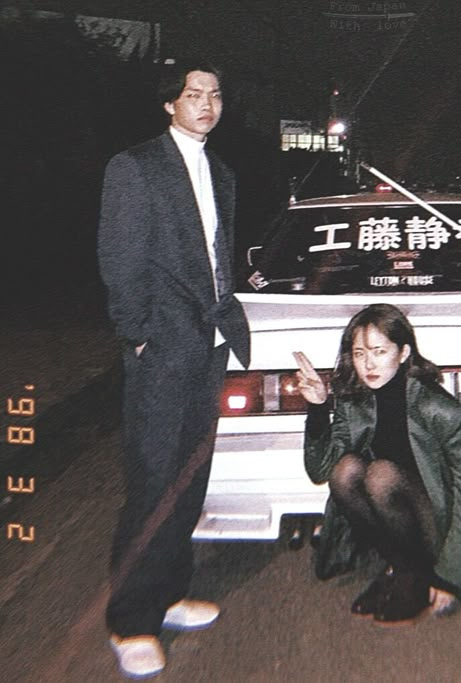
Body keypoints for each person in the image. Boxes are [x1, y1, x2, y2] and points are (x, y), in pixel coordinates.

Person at [97, 62, 250, 679]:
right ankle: (131, 620)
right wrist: (136, 335)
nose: (207, 104)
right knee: (153, 479)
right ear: (170, 104)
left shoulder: (222, 172)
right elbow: (120, 257)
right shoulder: (134, 167)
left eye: (215, 93)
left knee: (190, 476)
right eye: (194, 95)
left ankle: (171, 591)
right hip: (161, 347)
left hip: (209, 343)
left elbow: (217, 256)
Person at [293, 304, 461, 624]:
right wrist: (318, 409)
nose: (369, 364)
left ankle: (419, 575)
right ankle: (402, 568)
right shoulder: (355, 401)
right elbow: (320, 470)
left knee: (380, 475)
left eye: (380, 351)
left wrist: (450, 574)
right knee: (345, 471)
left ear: (404, 352)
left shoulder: (438, 408)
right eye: (359, 353)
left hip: (441, 521)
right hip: (399, 518)